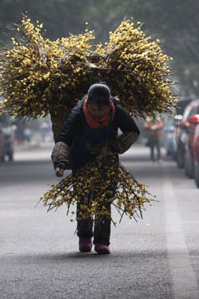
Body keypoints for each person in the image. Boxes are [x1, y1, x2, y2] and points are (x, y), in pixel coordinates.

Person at [51, 83, 140, 254]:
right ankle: (84, 237)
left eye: (102, 107)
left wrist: (115, 147)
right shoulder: (77, 114)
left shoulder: (117, 111)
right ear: (88, 104)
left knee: (104, 199)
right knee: (84, 197)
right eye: (94, 107)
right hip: (82, 159)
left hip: (107, 160)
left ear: (108, 104)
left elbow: (133, 131)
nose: (98, 111)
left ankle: (102, 241)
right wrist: (60, 163)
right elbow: (64, 140)